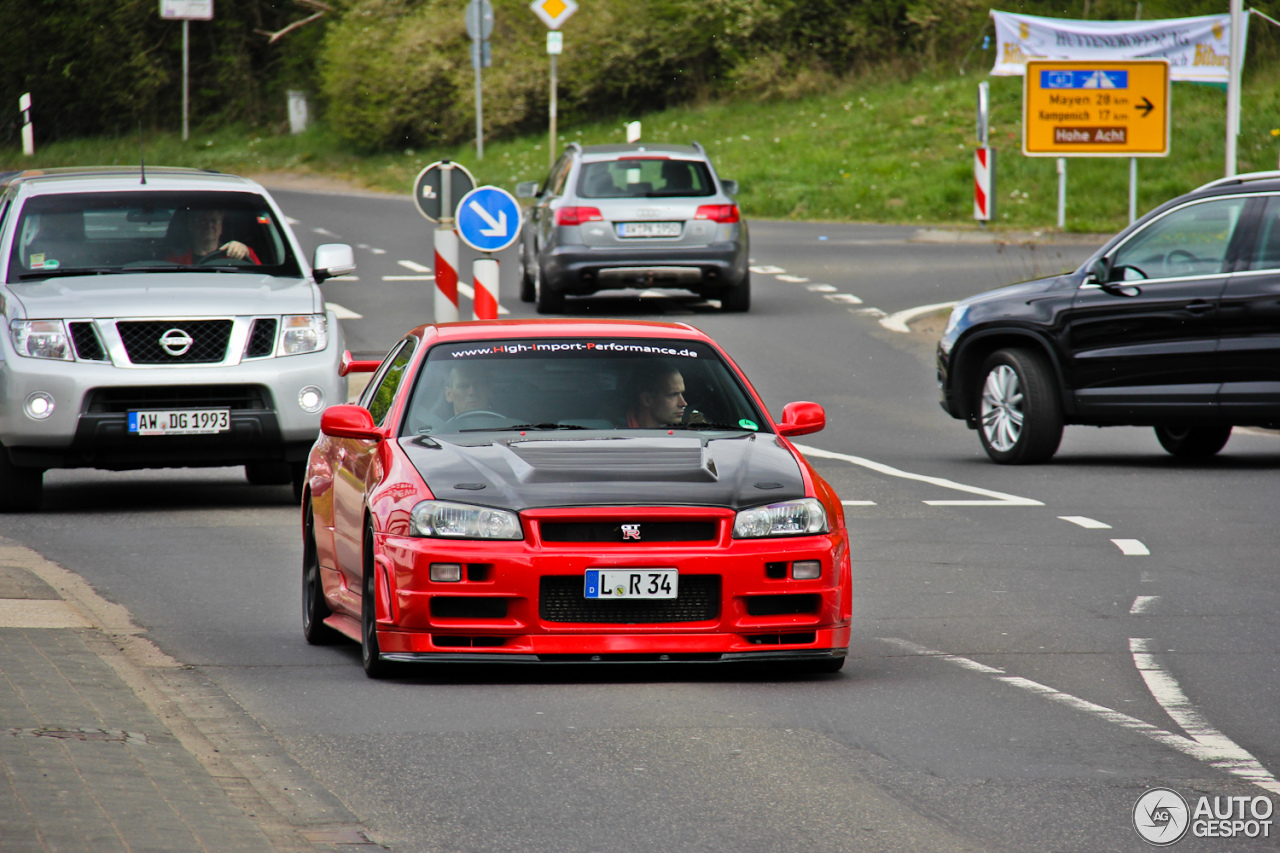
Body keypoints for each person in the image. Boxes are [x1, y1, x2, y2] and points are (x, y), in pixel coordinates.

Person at [166, 208, 260, 265]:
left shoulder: (235, 255)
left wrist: (245, 251)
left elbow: (260, 278)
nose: (209, 225)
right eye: (202, 221)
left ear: (221, 228)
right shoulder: (176, 260)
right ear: (191, 226)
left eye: (214, 221)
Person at [625, 364, 690, 428]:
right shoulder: (618, 433)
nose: (683, 403)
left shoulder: (688, 432)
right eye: (673, 395)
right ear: (647, 399)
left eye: (682, 394)